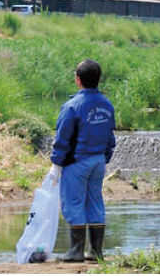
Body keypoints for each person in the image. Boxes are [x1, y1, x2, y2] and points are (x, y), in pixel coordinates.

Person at [48, 59, 116, 262]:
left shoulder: (72, 107)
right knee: (95, 202)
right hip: (98, 162)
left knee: (73, 203)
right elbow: (110, 137)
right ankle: (96, 252)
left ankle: (76, 251)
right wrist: (105, 157)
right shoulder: (107, 105)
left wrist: (56, 164)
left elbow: (62, 138)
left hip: (77, 163)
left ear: (78, 80)